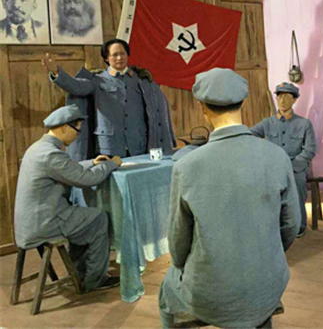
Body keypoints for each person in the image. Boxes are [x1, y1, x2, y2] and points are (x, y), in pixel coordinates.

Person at [159, 68, 301, 329]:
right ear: (243, 103)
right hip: (268, 284)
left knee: (166, 289)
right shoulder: (277, 156)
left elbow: (178, 246)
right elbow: (291, 226)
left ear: (202, 108)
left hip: (210, 293)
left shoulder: (186, 166)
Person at [14, 105, 122, 292]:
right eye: (77, 130)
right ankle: (95, 279)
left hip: (30, 222)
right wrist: (112, 164)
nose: (77, 135)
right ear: (65, 127)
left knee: (82, 218)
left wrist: (92, 162)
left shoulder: (38, 148)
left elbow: (67, 169)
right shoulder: (51, 154)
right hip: (44, 223)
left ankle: (80, 272)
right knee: (98, 218)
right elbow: (87, 179)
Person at [43, 38, 174, 160]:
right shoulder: (97, 80)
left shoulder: (141, 80)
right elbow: (75, 86)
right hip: (109, 146)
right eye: (114, 55)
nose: (119, 58)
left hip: (139, 144)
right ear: (106, 58)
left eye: (122, 54)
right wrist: (56, 72)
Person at [251, 82, 316, 237]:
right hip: (272, 167)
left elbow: (310, 149)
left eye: (287, 97)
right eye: (279, 96)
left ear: (294, 100)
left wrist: (293, 165)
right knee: (265, 192)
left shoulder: (304, 124)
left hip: (296, 168)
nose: (282, 100)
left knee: (297, 191)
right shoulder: (267, 123)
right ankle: (273, 225)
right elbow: (248, 136)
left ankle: (299, 226)